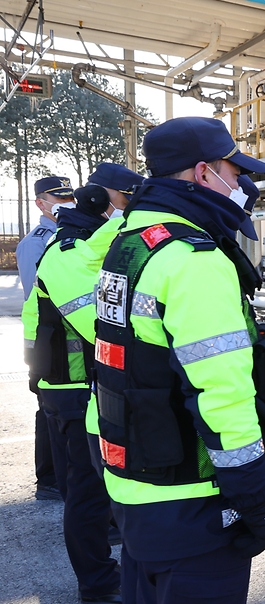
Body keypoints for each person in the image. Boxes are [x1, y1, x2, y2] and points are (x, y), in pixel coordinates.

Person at [93, 117, 265, 603]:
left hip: (135, 488)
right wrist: (252, 492)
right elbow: (221, 391)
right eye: (233, 170)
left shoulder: (128, 244)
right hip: (191, 497)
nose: (242, 183)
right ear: (203, 173)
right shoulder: (194, 260)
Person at [22, 178, 139, 604]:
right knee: (85, 494)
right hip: (70, 387)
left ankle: (104, 572)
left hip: (71, 384)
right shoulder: (66, 252)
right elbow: (100, 327)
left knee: (92, 491)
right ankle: (97, 584)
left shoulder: (83, 244)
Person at [17, 176, 74, 501]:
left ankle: (54, 476)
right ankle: (49, 479)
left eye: (69, 197)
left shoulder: (66, 236)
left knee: (57, 410)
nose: (66, 203)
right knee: (48, 409)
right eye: (59, 198)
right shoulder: (36, 243)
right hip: (45, 339)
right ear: (41, 202)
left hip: (60, 339)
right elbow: (34, 298)